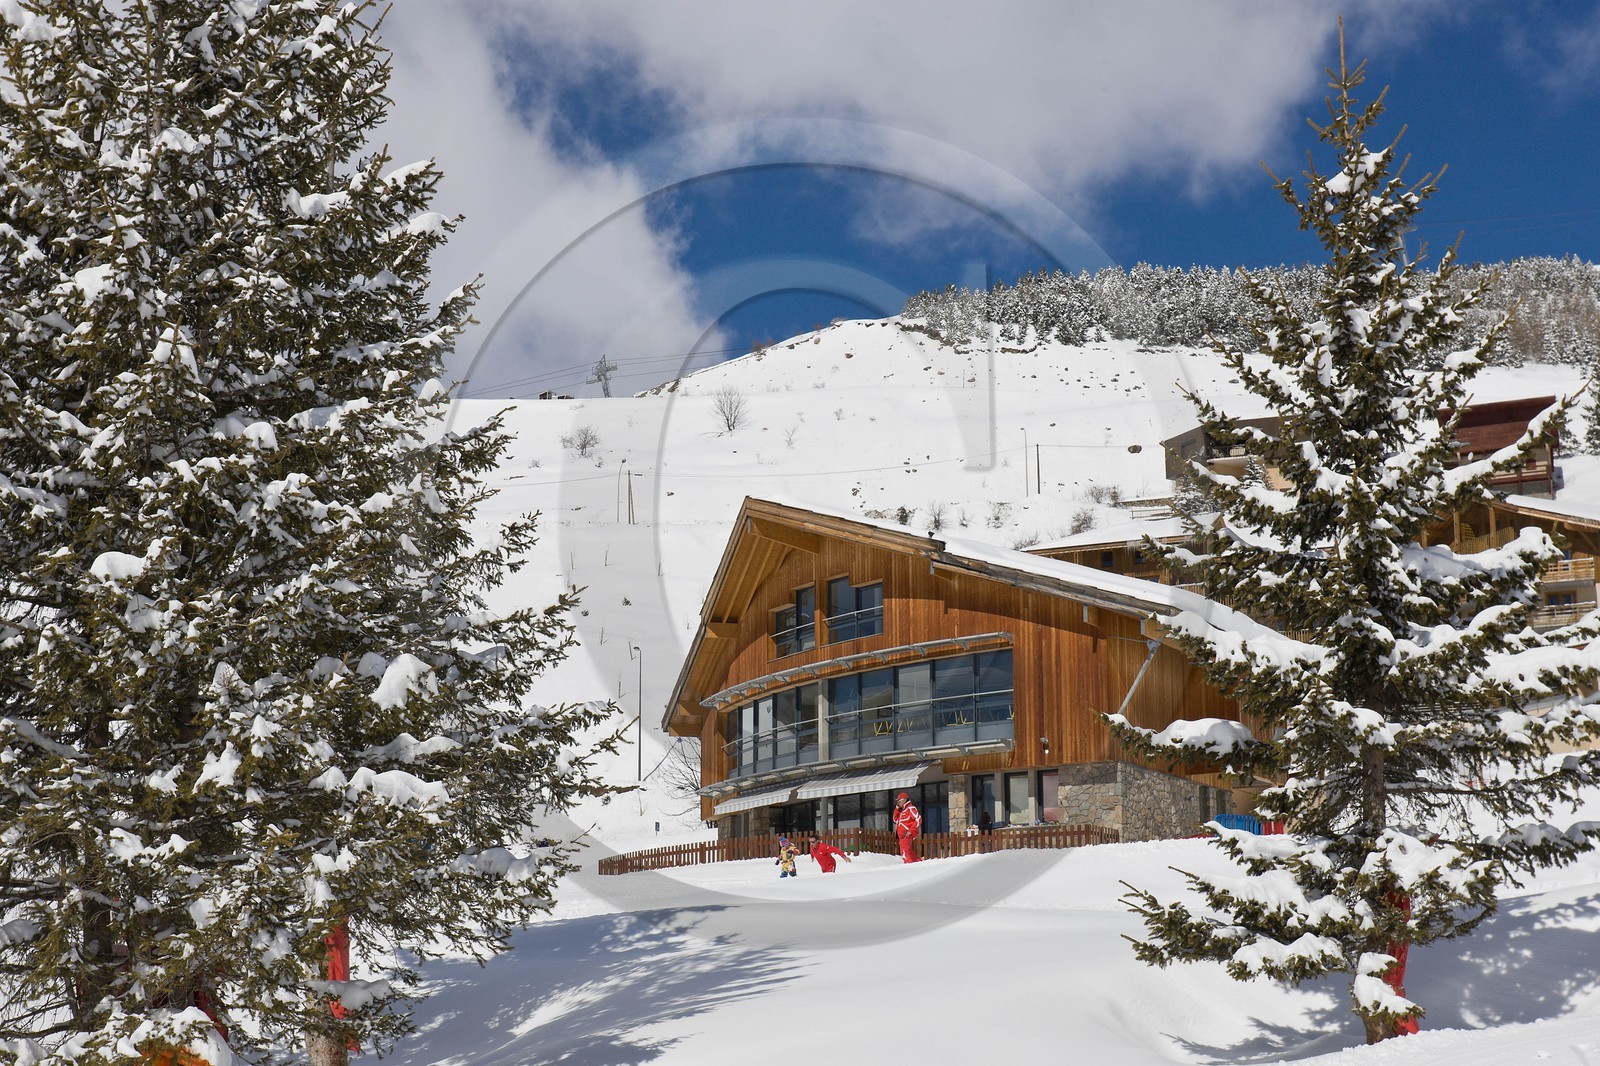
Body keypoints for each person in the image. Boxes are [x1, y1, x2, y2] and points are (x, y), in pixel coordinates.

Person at [892, 792, 922, 863]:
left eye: (899, 801)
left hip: (907, 834)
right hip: (901, 836)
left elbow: (918, 819)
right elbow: (895, 819)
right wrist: (896, 809)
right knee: (909, 852)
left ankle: (909, 867)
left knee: (905, 853)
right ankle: (919, 863)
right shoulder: (902, 811)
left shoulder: (910, 808)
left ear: (905, 799)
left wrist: (911, 831)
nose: (898, 803)